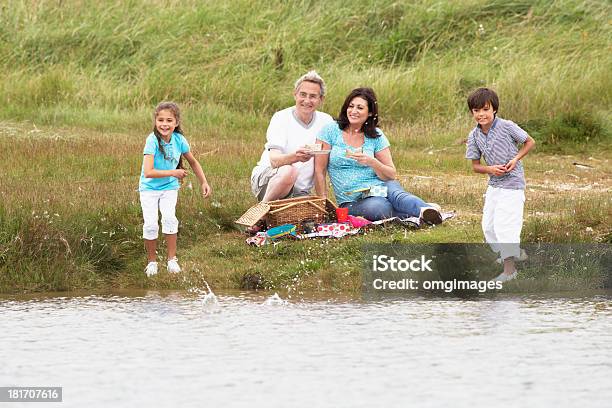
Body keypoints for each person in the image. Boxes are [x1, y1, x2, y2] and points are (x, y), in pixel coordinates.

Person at [314, 87, 442, 224]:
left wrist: (372, 162)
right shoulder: (330, 130)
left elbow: (391, 174)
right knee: (380, 207)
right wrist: (323, 203)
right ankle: (424, 211)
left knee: (398, 196)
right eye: (351, 106)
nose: (354, 111)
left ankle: (423, 210)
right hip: (352, 200)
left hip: (380, 186)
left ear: (369, 113)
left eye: (360, 108)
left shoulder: (376, 135)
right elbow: (319, 170)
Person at [465, 87, 535, 282]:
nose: (481, 114)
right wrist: (491, 170)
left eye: (485, 109)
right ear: (472, 112)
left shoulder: (507, 126)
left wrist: (515, 159)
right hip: (494, 184)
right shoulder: (474, 136)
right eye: (476, 111)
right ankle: (512, 252)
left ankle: (509, 270)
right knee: (488, 227)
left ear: (494, 109)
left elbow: (529, 142)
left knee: (506, 226)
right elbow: (476, 166)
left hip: (512, 184)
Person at [138, 101, 212, 277]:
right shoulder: (152, 140)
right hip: (149, 189)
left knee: (170, 218)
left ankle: (172, 260)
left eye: (169, 120)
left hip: (169, 188)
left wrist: (204, 182)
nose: (164, 124)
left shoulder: (179, 140)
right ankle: (152, 262)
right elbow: (148, 172)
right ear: (155, 121)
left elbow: (193, 162)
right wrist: (174, 172)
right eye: (161, 120)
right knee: (150, 224)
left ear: (176, 122)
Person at [250, 71, 334, 202]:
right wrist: (296, 157)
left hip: (300, 191)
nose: (307, 100)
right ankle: (261, 213)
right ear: (295, 94)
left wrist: (322, 201)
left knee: (307, 221)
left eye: (313, 96)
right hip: (270, 179)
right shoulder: (281, 118)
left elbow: (321, 167)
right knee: (290, 172)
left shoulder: (327, 122)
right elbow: (274, 161)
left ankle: (275, 213)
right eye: (303, 94)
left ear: (321, 99)